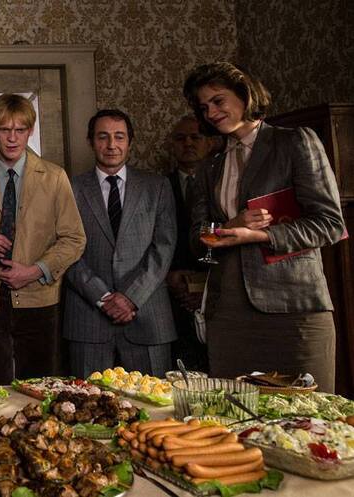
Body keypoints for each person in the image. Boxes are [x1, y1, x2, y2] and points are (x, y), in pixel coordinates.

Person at [183, 62, 345, 391]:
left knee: (308, 413)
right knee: (233, 413)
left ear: (245, 94)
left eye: (218, 100)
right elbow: (196, 241)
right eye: (204, 107)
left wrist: (260, 235)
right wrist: (230, 226)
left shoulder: (294, 142)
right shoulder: (209, 167)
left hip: (293, 309)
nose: (211, 112)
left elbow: (329, 224)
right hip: (228, 314)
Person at [0, 94, 86, 384]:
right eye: (4, 129)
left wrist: (35, 270)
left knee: (39, 386)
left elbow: (74, 238)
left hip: (39, 296)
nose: (12, 138)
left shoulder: (54, 177)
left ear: (30, 131)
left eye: (20, 130)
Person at [63, 109, 177, 378]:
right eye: (103, 137)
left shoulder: (157, 186)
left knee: (152, 400)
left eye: (119, 137)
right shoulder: (69, 188)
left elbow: (164, 247)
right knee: (87, 400)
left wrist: (131, 297)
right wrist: (102, 297)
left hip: (147, 316)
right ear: (90, 141)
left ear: (130, 142)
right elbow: (64, 249)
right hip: (88, 319)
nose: (111, 145)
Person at [165, 116, 213, 372]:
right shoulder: (159, 186)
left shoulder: (223, 183)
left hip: (215, 291)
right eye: (181, 138)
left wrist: (205, 284)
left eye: (196, 137)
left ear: (209, 142)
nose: (188, 143)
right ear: (171, 145)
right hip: (172, 296)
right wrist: (170, 277)